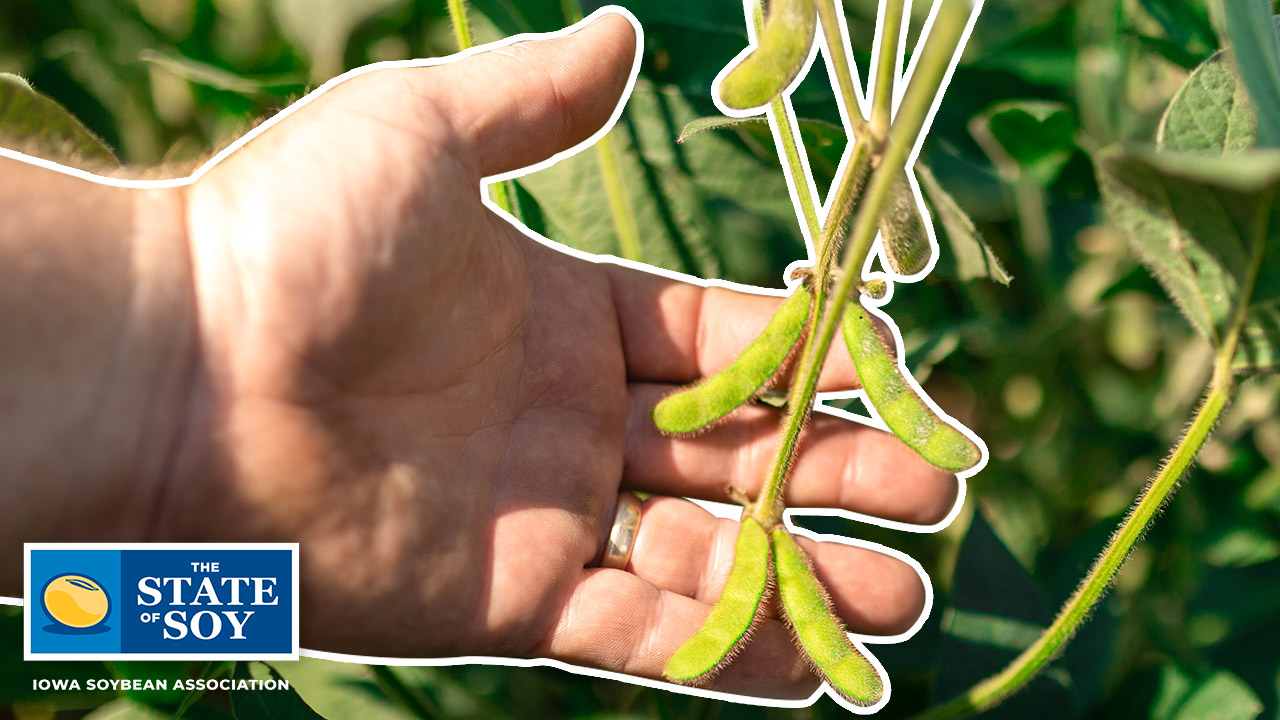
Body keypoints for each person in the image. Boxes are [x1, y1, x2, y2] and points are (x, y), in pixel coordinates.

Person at [0, 11, 958, 699]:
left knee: (108, 626)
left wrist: (171, 372)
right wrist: (187, 326)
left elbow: (82, 609)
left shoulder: (92, 587)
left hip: (108, 572)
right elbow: (79, 617)